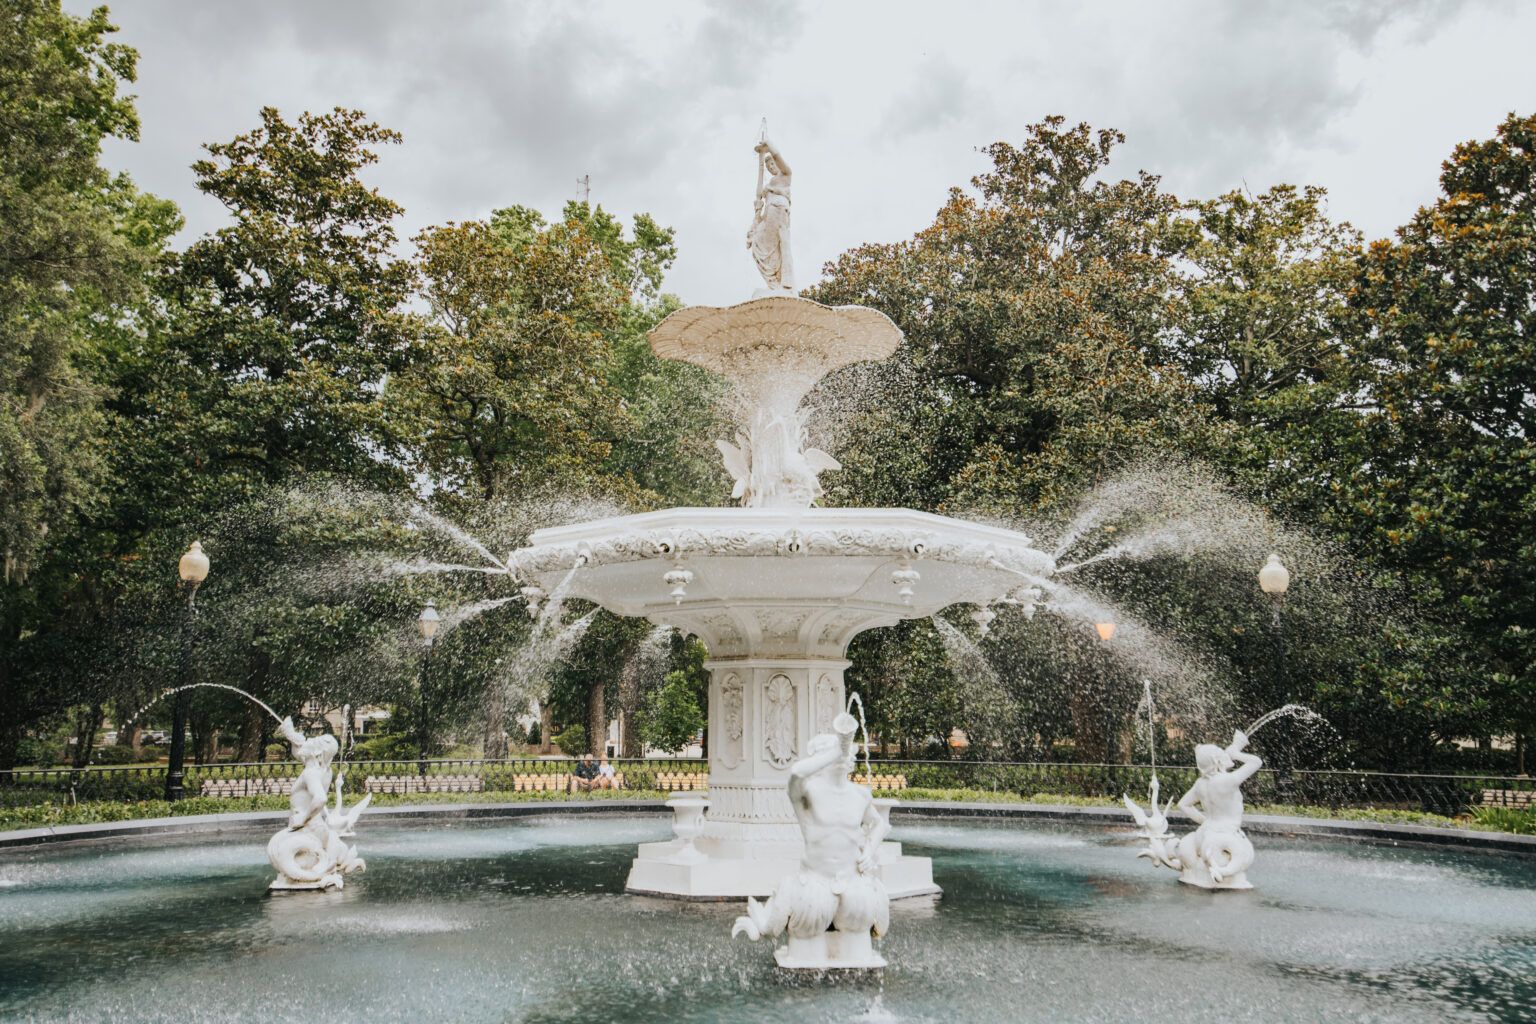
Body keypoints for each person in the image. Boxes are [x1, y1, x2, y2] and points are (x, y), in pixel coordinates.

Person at [732, 713, 890, 967]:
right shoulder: (808, 793)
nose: (844, 757)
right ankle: (767, 921)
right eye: (834, 753)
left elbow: (880, 824)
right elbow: (795, 774)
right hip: (813, 887)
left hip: (853, 886)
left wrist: (870, 849)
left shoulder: (860, 795)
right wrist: (836, 751)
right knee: (806, 954)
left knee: (859, 956)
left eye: (845, 752)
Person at [747, 135, 793, 295]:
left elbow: (779, 157)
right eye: (769, 167)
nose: (772, 168)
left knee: (777, 246)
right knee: (757, 246)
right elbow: (758, 192)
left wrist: (769, 147)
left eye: (773, 164)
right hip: (768, 215)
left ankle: (781, 284)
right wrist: (761, 161)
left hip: (779, 212)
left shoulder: (786, 176)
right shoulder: (770, 183)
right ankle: (774, 284)